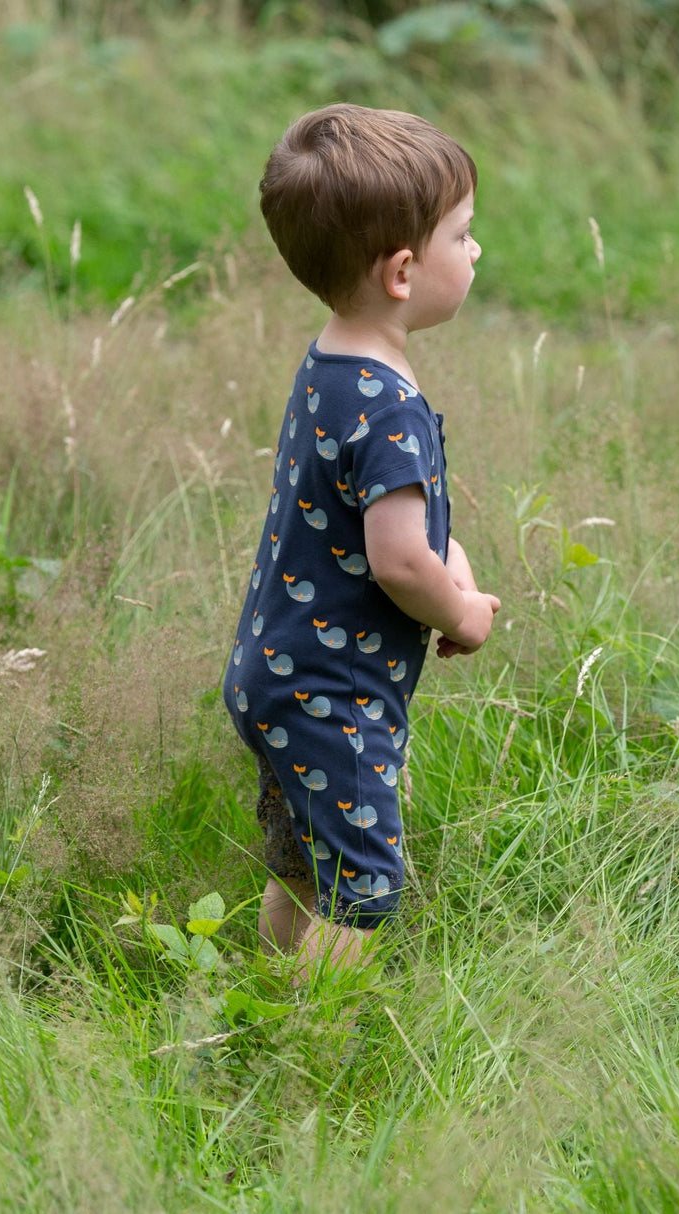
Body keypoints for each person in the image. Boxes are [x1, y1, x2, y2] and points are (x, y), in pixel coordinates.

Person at [223, 103, 500, 978]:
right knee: (362, 890)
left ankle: (270, 998)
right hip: (334, 691)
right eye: (464, 235)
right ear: (404, 272)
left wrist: (444, 565)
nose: (477, 251)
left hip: (279, 667)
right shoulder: (389, 407)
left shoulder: (333, 364)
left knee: (306, 861)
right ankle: (300, 1052)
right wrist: (460, 605)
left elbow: (377, 524)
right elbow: (397, 557)